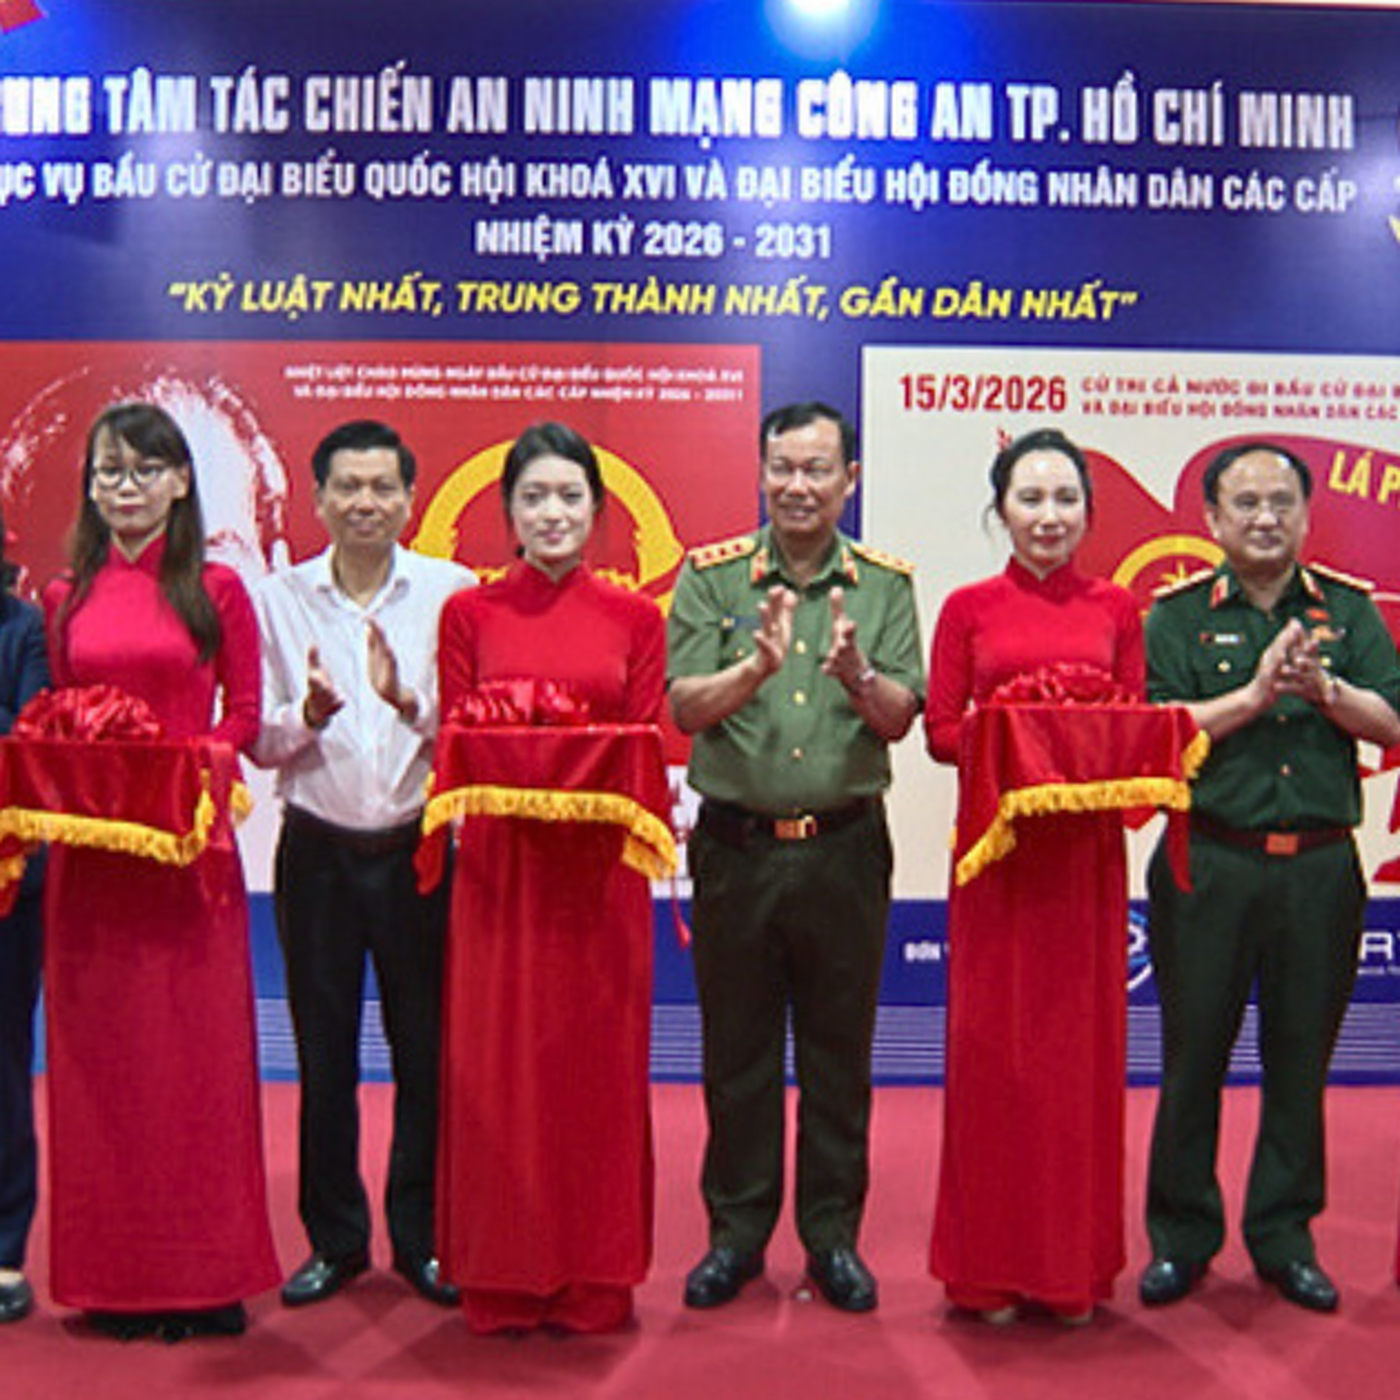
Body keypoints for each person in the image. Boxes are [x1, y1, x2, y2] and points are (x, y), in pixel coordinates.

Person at [667, 401, 923, 1314]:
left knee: (836, 1056)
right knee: (735, 1055)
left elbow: (900, 719)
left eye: (818, 469)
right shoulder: (710, 577)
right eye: (782, 467)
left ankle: (831, 1237)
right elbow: (684, 708)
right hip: (736, 850)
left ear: (850, 479)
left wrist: (857, 674)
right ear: (761, 472)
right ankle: (736, 1236)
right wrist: (754, 670)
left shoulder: (884, 586)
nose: (798, 485)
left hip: (845, 850)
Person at [1139, 441, 1400, 1314]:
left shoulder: (1348, 610)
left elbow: (1392, 719)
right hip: (1209, 863)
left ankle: (1285, 1236)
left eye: (1281, 502)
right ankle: (1181, 1237)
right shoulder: (1175, 616)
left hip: (1319, 869)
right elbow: (1161, 731)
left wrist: (1326, 688)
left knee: (1299, 1060)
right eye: (1245, 503)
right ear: (1212, 518)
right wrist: (1252, 696)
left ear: (1305, 514)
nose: (1264, 518)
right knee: (1193, 1059)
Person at [41, 402, 279, 1338]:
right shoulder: (64, 595)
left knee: (193, 1068)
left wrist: (187, 764)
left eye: (145, 470)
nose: (125, 488)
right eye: (109, 472)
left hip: (186, 858)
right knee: (103, 1070)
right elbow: (62, 716)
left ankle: (205, 1279)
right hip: (95, 863)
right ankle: (114, 1280)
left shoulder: (216, 589)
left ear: (181, 482)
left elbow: (245, 717)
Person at [433, 421, 666, 1334]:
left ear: (599, 511)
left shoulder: (637, 619)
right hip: (500, 878)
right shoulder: (469, 615)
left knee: (592, 1073)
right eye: (534, 497)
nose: (553, 514)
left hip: (599, 880)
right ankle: (500, 1273)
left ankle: (592, 1275)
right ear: (508, 511)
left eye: (570, 497)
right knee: (498, 1071)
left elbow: (643, 743)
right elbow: (455, 740)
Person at [924, 428, 1145, 1325]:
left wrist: (1077, 737)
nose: (1048, 516)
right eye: (1030, 498)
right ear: (1000, 509)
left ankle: (1069, 1270)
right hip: (999, 860)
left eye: (1065, 499)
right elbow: (942, 732)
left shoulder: (1118, 608)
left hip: (1085, 864)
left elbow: (1135, 725)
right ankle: (987, 1269)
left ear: (1088, 510)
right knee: (995, 1058)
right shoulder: (967, 609)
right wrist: (1019, 728)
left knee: (1074, 1063)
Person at [252, 420, 472, 1309]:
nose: (365, 502)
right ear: (318, 498)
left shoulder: (452, 593)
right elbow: (260, 741)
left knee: (425, 1053)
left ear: (410, 498)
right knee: (324, 1053)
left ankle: (421, 1238)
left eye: (383, 487)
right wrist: (306, 714)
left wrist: (407, 702)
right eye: (347, 486)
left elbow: (465, 729)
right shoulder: (278, 598)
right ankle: (335, 1240)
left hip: (418, 850)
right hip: (317, 853)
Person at [0, 508, 49, 1326]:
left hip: (5, 871)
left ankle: (3, 1243)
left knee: (2, 1058)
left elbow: (28, 736)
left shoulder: (26, 629)